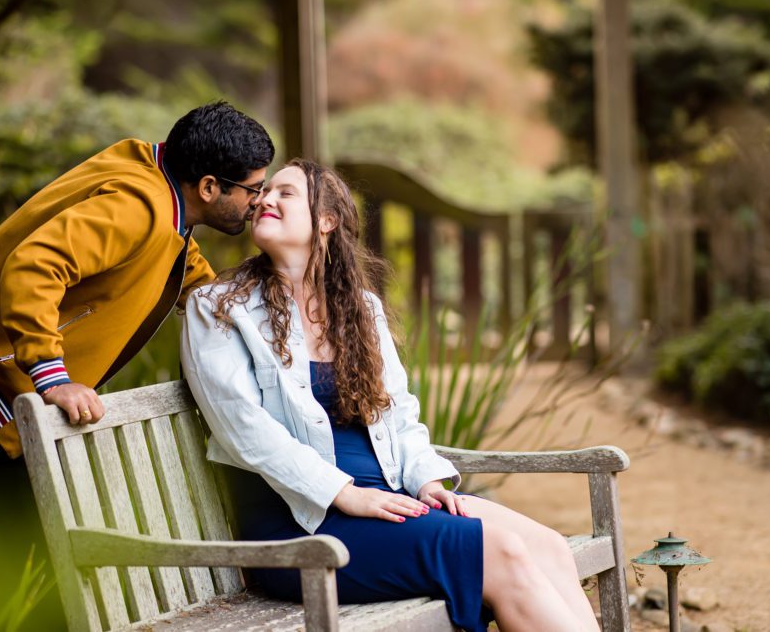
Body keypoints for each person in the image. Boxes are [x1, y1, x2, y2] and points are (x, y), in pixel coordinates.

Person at [180, 159, 599, 632]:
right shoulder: (218, 307)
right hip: (303, 526)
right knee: (501, 553)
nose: (265, 200)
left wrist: (426, 480)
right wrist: (344, 494)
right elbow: (243, 429)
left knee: (548, 546)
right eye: (264, 192)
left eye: (286, 193)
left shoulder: (360, 308)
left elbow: (398, 411)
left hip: (390, 498)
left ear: (327, 220)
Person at [0, 100, 274, 630]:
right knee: (28, 535)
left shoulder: (162, 187)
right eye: (253, 189)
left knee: (35, 534)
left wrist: (225, 308)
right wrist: (53, 376)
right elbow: (35, 265)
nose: (258, 202)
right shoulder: (139, 205)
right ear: (209, 186)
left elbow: (176, 259)